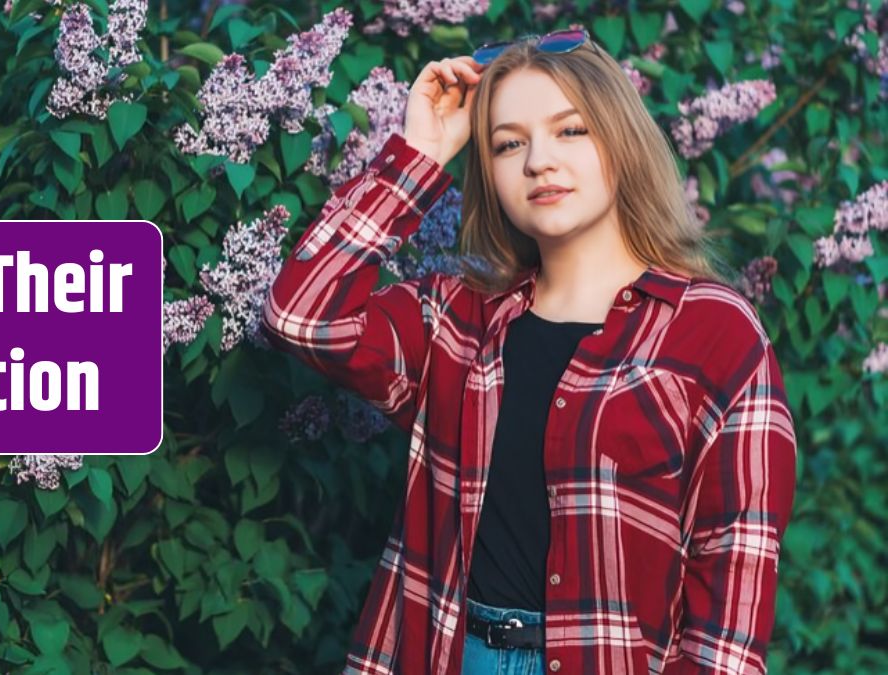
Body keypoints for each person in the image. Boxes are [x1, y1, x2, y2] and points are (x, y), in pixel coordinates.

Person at [261, 27, 797, 675]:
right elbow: (301, 314)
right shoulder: (455, 317)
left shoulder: (717, 334)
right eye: (507, 143)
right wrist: (418, 153)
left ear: (621, 141)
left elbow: (728, 618)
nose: (538, 160)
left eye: (570, 130)